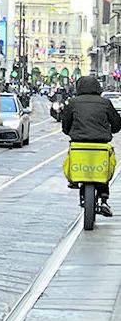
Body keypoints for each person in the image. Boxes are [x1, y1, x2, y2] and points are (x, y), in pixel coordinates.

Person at [61, 75, 121, 217]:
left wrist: (71, 132)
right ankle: (104, 198)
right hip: (101, 144)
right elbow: (117, 125)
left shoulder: (72, 103)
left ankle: (75, 181)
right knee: (104, 170)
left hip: (79, 143)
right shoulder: (105, 103)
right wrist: (110, 130)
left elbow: (65, 126)